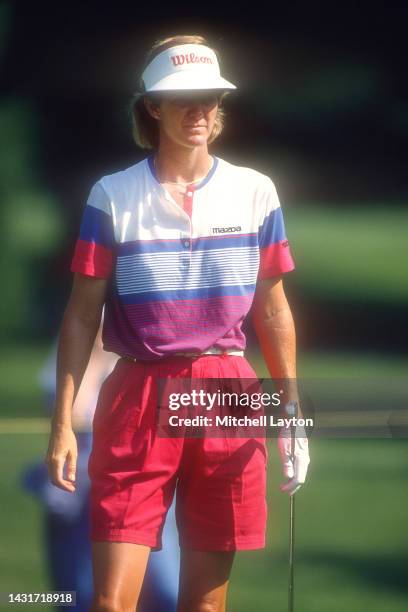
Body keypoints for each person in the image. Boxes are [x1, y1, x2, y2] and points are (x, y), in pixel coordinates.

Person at [44, 34, 310, 612]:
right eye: (183, 97)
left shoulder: (255, 191)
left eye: (210, 97)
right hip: (139, 390)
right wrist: (63, 421)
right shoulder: (112, 195)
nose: (200, 111)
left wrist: (290, 408)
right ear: (152, 107)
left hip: (228, 392)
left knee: (206, 606)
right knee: (112, 602)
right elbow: (82, 312)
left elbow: (272, 307)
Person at [24, 320, 180, 611]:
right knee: (77, 593)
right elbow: (69, 413)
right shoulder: (76, 342)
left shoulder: (160, 345)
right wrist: (95, 354)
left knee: (165, 590)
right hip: (81, 490)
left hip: (147, 481)